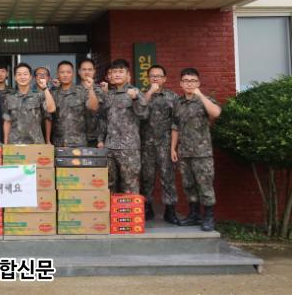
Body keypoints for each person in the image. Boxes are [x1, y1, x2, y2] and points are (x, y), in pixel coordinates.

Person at [171, 67, 222, 232]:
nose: (189, 84)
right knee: (188, 185)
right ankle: (194, 215)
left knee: (205, 185)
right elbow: (175, 126)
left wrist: (200, 95)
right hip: (184, 152)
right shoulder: (178, 103)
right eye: (186, 81)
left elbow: (216, 113)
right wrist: (173, 148)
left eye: (193, 81)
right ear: (181, 83)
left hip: (202, 153)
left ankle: (208, 217)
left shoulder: (205, 100)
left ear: (198, 83)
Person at [91, 59, 148, 194]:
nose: (117, 74)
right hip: (110, 147)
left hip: (128, 148)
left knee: (130, 185)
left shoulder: (134, 92)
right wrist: (100, 140)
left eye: (121, 71)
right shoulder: (109, 95)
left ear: (128, 74)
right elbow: (104, 119)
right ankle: (111, 209)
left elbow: (144, 114)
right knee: (108, 185)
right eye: (114, 72)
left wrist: (135, 99)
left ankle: (130, 209)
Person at [140, 64, 180, 225]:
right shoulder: (142, 95)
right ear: (148, 78)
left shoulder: (173, 97)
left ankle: (170, 211)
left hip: (165, 144)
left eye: (158, 76)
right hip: (146, 145)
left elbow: (176, 123)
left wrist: (173, 148)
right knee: (146, 178)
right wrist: (150, 92)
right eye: (152, 76)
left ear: (164, 79)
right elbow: (139, 112)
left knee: (168, 177)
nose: (155, 78)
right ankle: (147, 208)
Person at [3, 63, 56, 144]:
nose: (22, 77)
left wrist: (45, 88)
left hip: (36, 142)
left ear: (30, 77)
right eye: (19, 74)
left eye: (25, 74)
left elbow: (51, 109)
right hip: (15, 143)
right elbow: (7, 121)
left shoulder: (39, 95)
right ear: (15, 77)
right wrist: (6, 141)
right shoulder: (9, 97)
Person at [51, 61, 98, 147]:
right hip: (58, 143)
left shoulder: (82, 91)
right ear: (57, 74)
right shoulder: (53, 94)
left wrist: (90, 88)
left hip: (78, 142)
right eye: (62, 72)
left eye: (68, 72)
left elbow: (93, 107)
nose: (65, 75)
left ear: (73, 74)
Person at [78, 58, 106, 147]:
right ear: (79, 71)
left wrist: (90, 88)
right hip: (76, 139)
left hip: (96, 140)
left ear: (94, 71)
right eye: (84, 69)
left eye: (90, 69)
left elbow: (95, 108)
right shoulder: (73, 90)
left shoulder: (101, 90)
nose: (87, 72)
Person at [34, 66, 54, 143]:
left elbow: (48, 117)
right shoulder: (30, 93)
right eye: (39, 74)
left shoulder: (54, 93)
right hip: (34, 136)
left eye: (44, 74)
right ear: (34, 78)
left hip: (54, 135)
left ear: (48, 78)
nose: (42, 76)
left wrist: (48, 140)